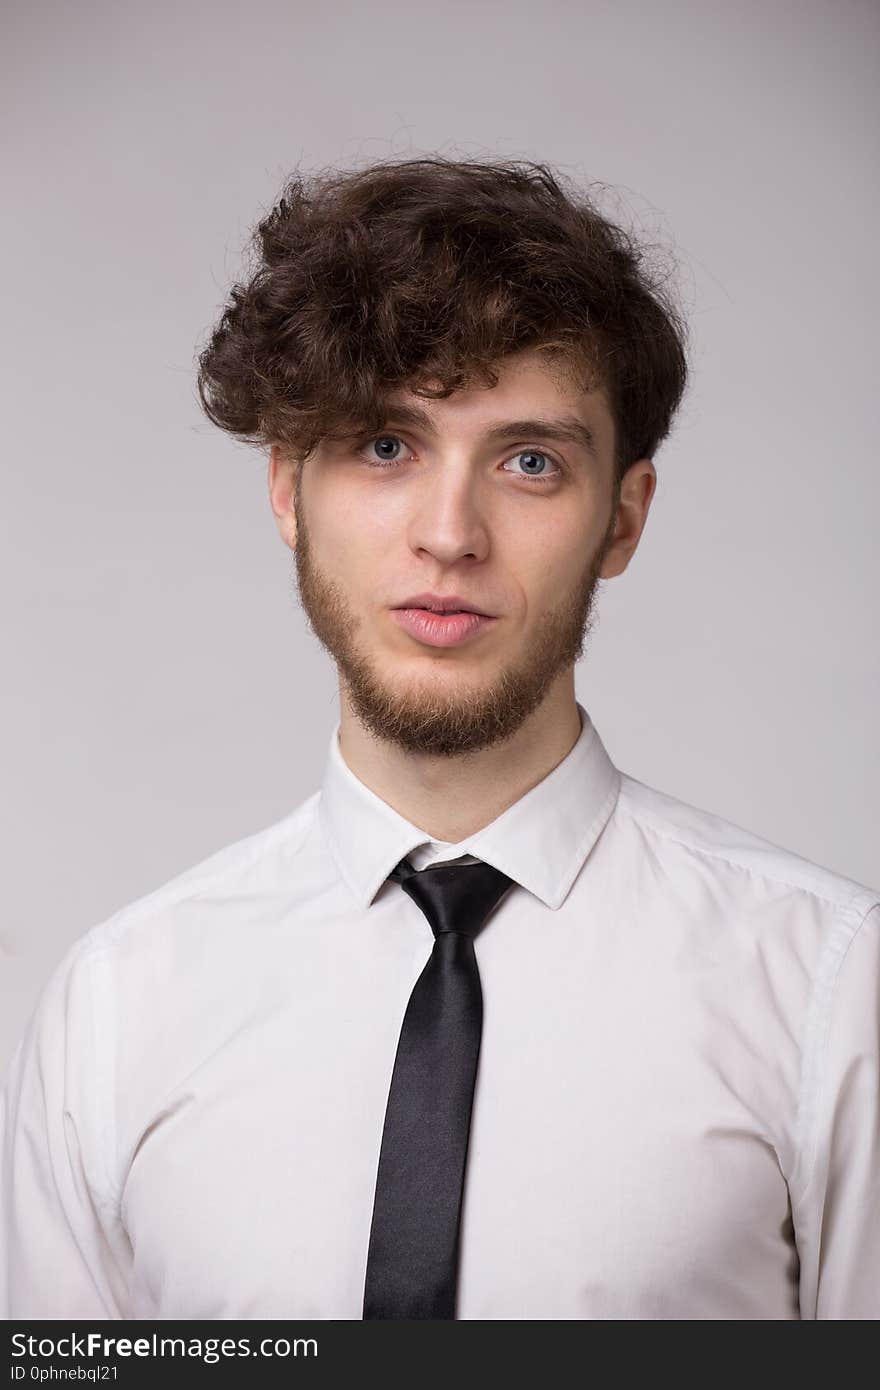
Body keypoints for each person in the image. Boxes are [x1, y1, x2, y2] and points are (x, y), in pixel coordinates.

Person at [1, 157, 877, 1321]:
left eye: (528, 462)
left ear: (621, 517)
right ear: (285, 491)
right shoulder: (117, 1008)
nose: (450, 533)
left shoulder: (832, 988)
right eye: (382, 445)